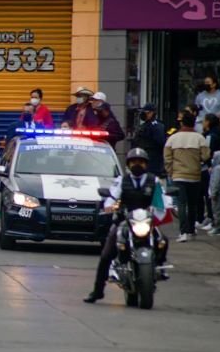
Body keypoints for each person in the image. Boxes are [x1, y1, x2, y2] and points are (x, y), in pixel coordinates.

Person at [84, 148, 169, 304]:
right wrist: (109, 206)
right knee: (106, 254)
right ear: (129, 164)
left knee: (163, 240)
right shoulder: (120, 180)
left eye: (141, 162)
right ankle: (97, 291)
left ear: (146, 164)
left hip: (146, 220)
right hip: (125, 221)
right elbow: (111, 196)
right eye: (134, 162)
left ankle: (160, 266)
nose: (137, 165)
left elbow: (162, 199)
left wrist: (169, 207)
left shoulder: (154, 181)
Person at [165, 111, 210, 242]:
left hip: (178, 175)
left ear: (182, 123)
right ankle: (191, 230)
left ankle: (183, 231)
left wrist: (170, 171)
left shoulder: (173, 138)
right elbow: (206, 156)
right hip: (195, 175)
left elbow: (167, 158)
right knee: (192, 204)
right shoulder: (199, 138)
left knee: (181, 204)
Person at [133, 103, 166, 176]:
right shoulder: (144, 126)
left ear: (152, 113)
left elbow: (161, 142)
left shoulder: (156, 126)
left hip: (153, 163)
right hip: (143, 160)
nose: (143, 114)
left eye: (146, 112)